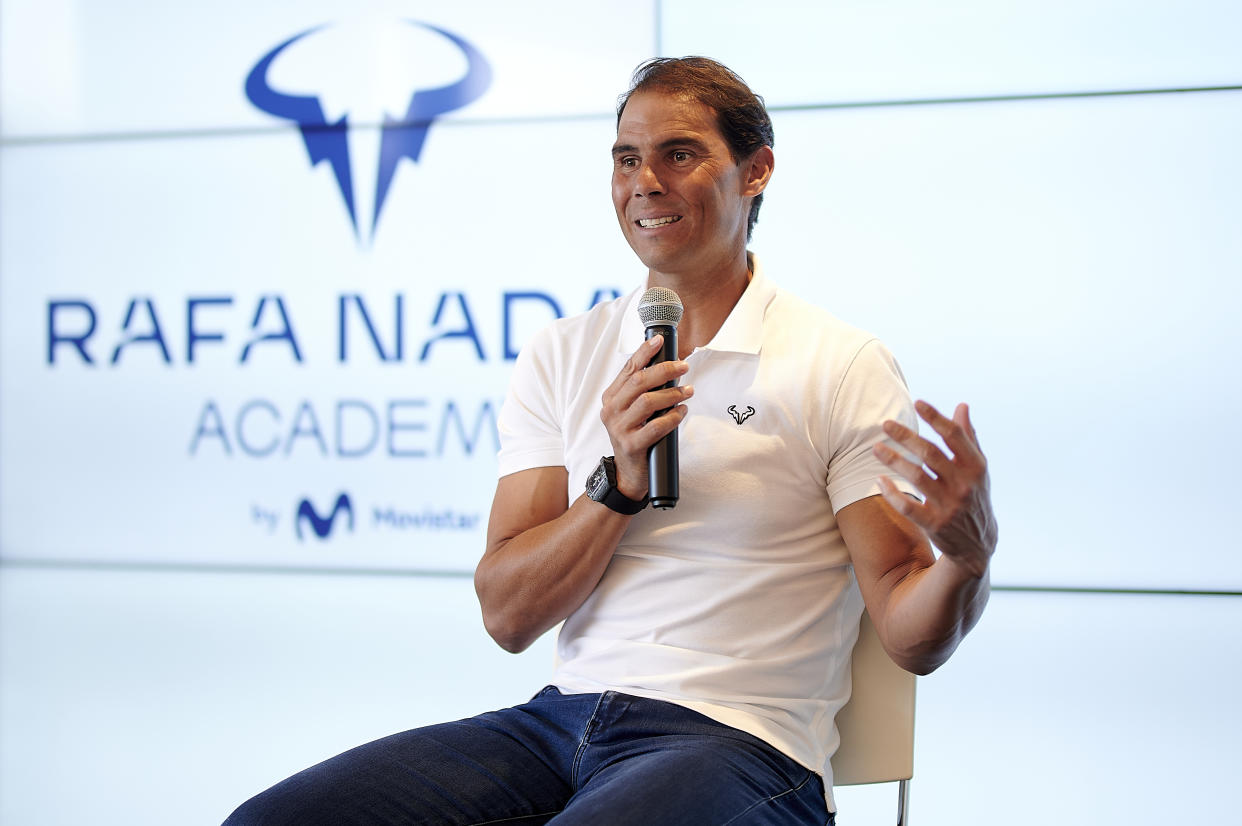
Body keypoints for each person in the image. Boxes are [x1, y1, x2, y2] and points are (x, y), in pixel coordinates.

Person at [225, 56, 997, 826]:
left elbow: (907, 628)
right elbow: (508, 615)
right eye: (627, 158)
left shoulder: (838, 362)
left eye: (679, 154)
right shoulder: (562, 350)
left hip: (742, 742)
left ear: (756, 171)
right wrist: (617, 484)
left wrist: (966, 559)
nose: (645, 182)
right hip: (557, 725)